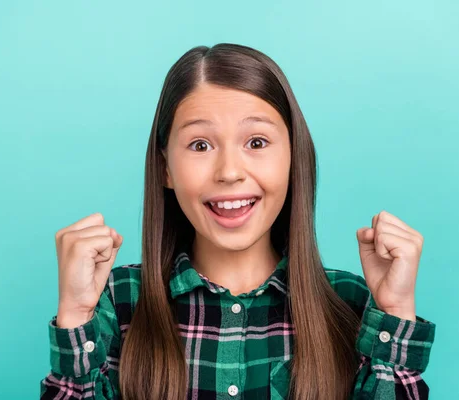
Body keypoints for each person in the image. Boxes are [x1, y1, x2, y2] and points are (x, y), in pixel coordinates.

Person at [39, 43, 436, 400]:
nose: (229, 172)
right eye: (200, 145)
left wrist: (395, 311)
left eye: (257, 143)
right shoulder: (117, 301)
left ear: (294, 158)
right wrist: (75, 313)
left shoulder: (351, 304)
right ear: (166, 169)